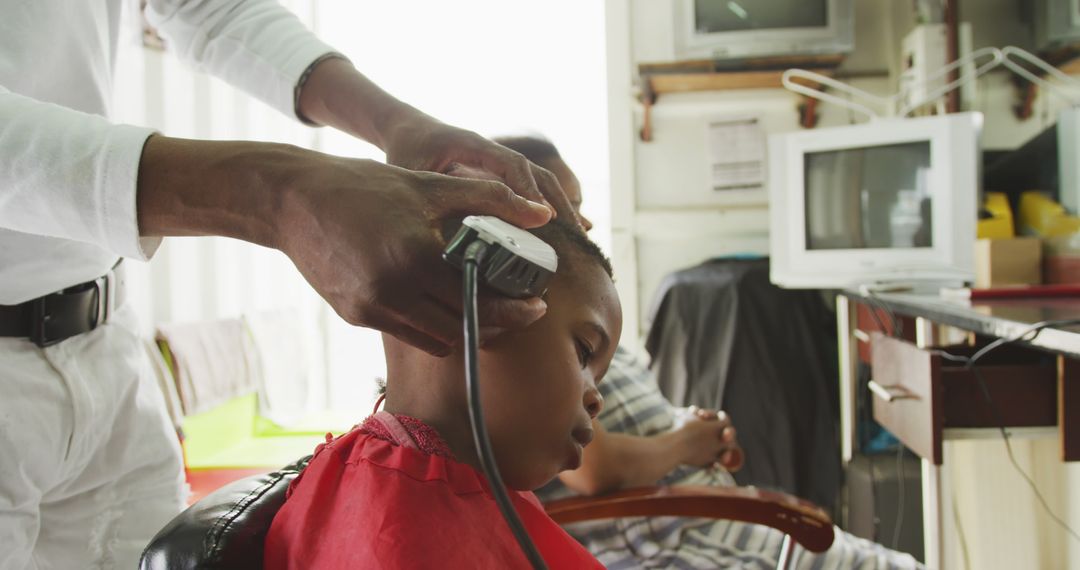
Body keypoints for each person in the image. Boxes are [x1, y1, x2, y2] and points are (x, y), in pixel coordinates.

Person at [0, 2, 579, 567]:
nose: (593, 391)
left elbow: (213, 9)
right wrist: (276, 193)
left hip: (106, 345)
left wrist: (396, 122)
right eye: (584, 349)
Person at [497, 135, 924, 569]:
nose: (585, 224)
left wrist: (688, 424)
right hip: (675, 537)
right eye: (570, 208)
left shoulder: (581, 323)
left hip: (710, 514)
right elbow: (595, 469)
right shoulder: (531, 330)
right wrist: (686, 444)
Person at [263, 217, 622, 568]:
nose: (596, 400)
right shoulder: (403, 541)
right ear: (477, 300)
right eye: (585, 351)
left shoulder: (431, 482)